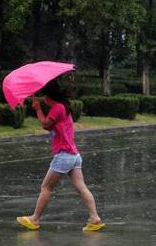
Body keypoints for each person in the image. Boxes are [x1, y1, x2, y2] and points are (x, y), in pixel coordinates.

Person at [16, 79, 105, 232]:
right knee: (81, 187)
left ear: (49, 96)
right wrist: (40, 108)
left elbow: (44, 124)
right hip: (74, 156)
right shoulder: (63, 108)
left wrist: (37, 109)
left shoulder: (57, 108)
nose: (43, 99)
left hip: (64, 156)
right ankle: (95, 218)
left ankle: (35, 219)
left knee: (46, 187)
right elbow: (50, 126)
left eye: (44, 96)